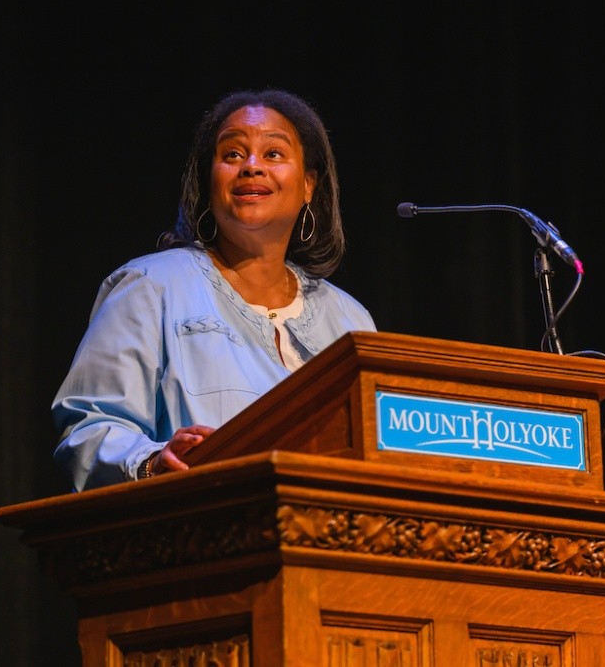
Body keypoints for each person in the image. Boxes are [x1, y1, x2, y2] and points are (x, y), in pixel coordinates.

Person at [51, 89, 376, 491]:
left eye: (273, 154)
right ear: (210, 181)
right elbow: (89, 429)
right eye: (232, 155)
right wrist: (152, 460)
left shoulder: (350, 321)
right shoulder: (150, 289)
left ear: (309, 184)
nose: (251, 167)